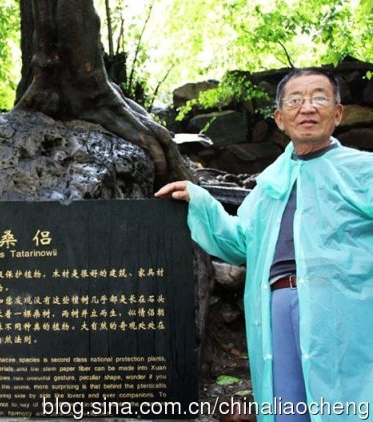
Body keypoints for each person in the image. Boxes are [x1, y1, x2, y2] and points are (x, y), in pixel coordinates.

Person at [155, 69, 373, 421]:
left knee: (349, 404)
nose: (307, 108)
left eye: (319, 98)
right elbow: (241, 242)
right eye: (295, 100)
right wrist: (200, 201)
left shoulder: (364, 171)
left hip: (344, 307)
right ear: (280, 118)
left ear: (338, 113)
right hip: (276, 304)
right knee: (286, 404)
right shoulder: (271, 182)